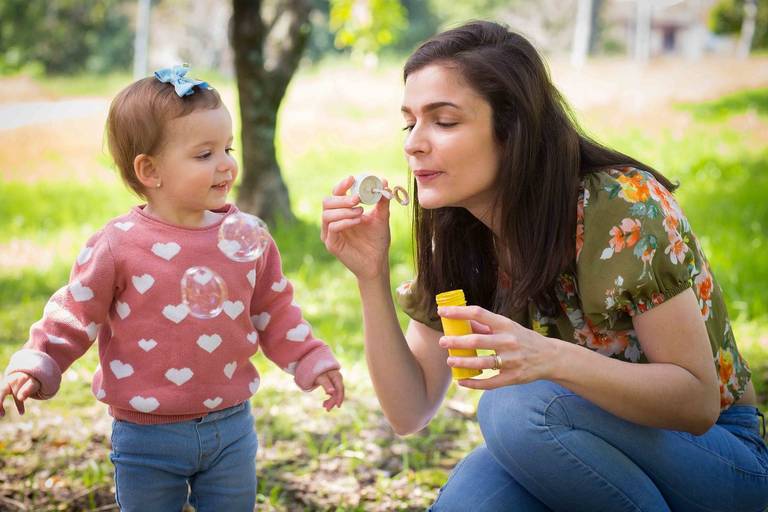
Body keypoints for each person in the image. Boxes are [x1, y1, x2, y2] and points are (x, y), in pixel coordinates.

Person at [321, 21, 767, 511]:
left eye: (443, 121)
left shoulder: (621, 206)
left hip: (719, 461)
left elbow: (697, 403)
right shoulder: (458, 231)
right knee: (467, 501)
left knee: (515, 407)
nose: (413, 144)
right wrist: (370, 277)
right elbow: (410, 409)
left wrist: (549, 359)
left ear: (513, 130)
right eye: (410, 123)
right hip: (573, 438)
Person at [0, 65, 345, 511]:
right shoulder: (118, 245)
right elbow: (74, 312)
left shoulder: (248, 238)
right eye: (204, 154)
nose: (226, 163)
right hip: (146, 435)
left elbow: (274, 310)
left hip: (231, 426)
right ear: (150, 170)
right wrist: (37, 361)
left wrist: (310, 359)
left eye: (228, 147)